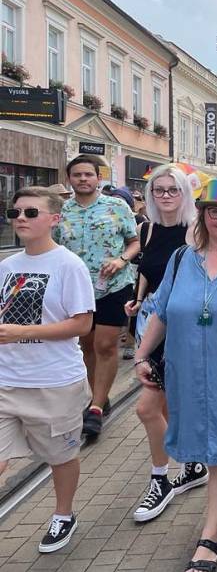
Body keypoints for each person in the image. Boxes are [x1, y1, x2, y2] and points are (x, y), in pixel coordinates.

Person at [133, 178, 217, 572]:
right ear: (203, 213)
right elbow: (160, 311)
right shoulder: (181, 259)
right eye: (215, 210)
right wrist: (141, 356)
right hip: (187, 372)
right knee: (209, 446)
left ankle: (208, 536)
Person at [0, 186, 94, 554]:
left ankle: (63, 514)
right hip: (7, 380)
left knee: (61, 457)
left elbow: (82, 324)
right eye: (15, 213)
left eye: (30, 213)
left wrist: (24, 332)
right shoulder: (6, 266)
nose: (20, 218)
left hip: (54, 383)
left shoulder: (69, 265)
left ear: (54, 219)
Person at [122, 165, 209, 523]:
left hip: (184, 327)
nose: (166, 196)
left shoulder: (195, 231)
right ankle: (193, 464)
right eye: (159, 190)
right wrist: (139, 298)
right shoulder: (147, 229)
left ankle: (161, 481)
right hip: (153, 324)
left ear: (185, 194)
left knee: (146, 409)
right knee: (168, 404)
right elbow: (147, 268)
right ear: (151, 194)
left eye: (173, 190)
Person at [57, 155, 140, 441]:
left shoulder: (116, 206)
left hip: (114, 285)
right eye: (77, 175)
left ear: (98, 178)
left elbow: (134, 241)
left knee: (105, 345)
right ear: (70, 178)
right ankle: (98, 397)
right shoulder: (61, 211)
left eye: (88, 174)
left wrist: (121, 259)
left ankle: (94, 409)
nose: (83, 179)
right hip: (77, 290)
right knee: (86, 345)